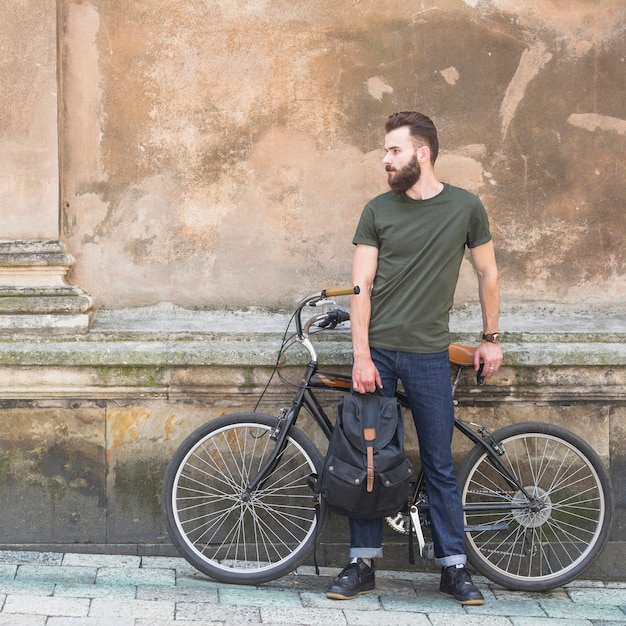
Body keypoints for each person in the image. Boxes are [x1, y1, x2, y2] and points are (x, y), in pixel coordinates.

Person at [325, 111, 503, 606]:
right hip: (378, 352)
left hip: (429, 355)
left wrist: (490, 337)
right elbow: (361, 288)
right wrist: (361, 356)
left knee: (440, 462)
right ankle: (362, 564)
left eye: (394, 151)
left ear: (422, 153)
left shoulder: (466, 208)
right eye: (386, 152)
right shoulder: (377, 211)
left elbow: (487, 274)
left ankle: (454, 568)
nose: (386, 160)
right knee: (370, 457)